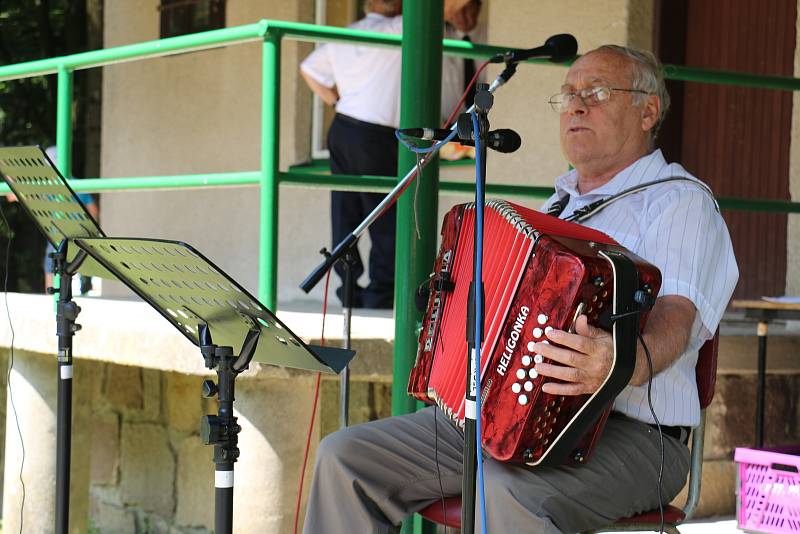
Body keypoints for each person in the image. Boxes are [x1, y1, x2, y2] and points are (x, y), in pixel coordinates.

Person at [301, 45, 738, 533]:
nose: (575, 105)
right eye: (568, 94)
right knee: (346, 458)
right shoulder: (556, 208)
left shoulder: (681, 204)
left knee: (503, 490)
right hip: (511, 420)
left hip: (637, 436)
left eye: (595, 93)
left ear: (647, 111)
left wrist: (616, 362)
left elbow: (677, 316)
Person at [299, 0, 480, 309]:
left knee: (347, 211)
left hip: (345, 127)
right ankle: (381, 294)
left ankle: (349, 292)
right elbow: (451, 6)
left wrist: (336, 101)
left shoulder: (350, 32)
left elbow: (309, 70)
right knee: (389, 217)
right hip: (379, 135)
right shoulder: (403, 27)